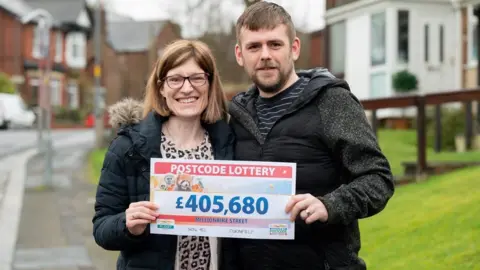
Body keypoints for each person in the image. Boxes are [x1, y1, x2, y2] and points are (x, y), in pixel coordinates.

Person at [222, 2, 395, 270]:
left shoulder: (332, 101)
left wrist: (330, 205)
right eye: (254, 46)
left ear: (294, 48)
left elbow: (378, 179)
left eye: (275, 44)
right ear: (239, 54)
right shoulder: (236, 115)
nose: (265, 55)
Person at [92, 39, 235, 270]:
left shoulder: (231, 142)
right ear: (161, 88)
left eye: (197, 78)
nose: (187, 88)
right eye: (175, 79)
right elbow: (101, 228)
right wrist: (126, 224)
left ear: (210, 83)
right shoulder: (128, 148)